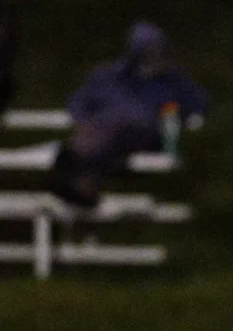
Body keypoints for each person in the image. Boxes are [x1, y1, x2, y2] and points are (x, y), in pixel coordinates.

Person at [51, 20, 210, 206]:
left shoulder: (173, 82)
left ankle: (80, 179)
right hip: (104, 135)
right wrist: (85, 121)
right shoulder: (109, 77)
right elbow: (78, 103)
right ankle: (83, 185)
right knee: (103, 132)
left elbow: (199, 105)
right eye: (150, 50)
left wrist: (178, 115)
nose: (157, 56)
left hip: (145, 134)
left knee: (108, 132)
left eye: (160, 50)